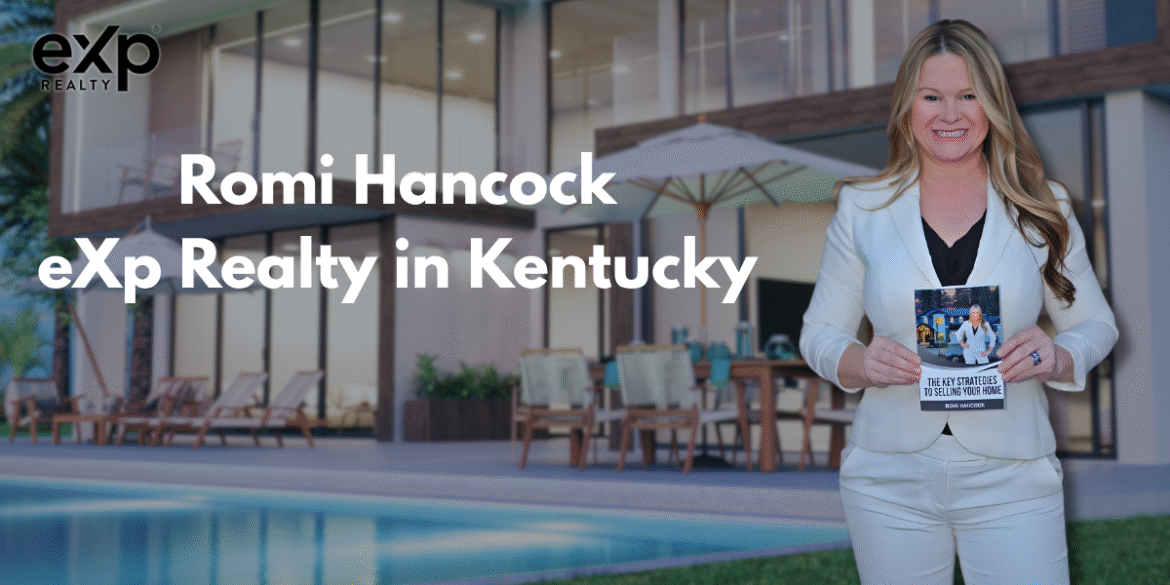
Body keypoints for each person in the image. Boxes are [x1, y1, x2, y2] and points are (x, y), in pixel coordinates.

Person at [799, 20, 1117, 585]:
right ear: (907, 108)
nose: (951, 114)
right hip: (887, 477)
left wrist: (1059, 355)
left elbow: (1095, 324)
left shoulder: (1044, 207)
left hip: (1014, 475)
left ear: (992, 105)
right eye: (933, 97)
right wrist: (861, 362)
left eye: (968, 96)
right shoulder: (862, 209)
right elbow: (820, 333)